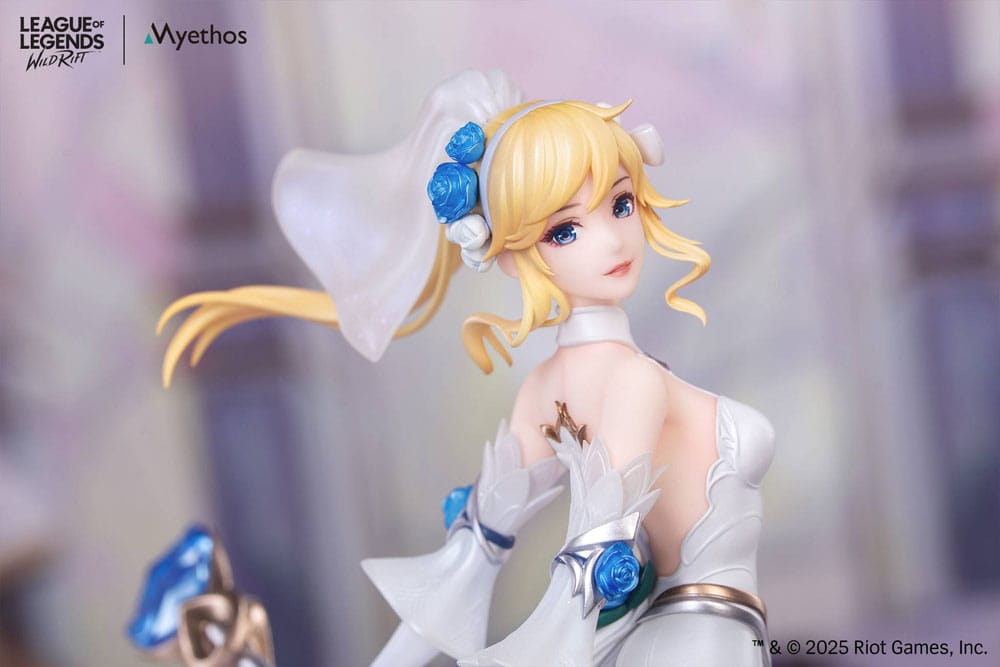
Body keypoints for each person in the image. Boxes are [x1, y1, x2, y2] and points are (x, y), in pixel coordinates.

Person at [160, 70, 775, 667]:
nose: (613, 240)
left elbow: (470, 573)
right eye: (565, 230)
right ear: (510, 256)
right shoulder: (627, 382)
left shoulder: (545, 390)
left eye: (620, 203)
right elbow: (564, 571)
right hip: (704, 642)